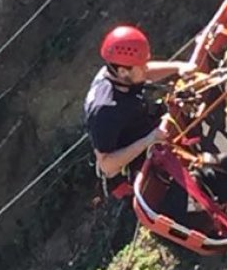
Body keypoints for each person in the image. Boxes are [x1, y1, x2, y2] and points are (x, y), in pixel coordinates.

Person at [84, 25, 195, 199]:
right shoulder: (104, 111)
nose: (146, 69)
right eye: (141, 66)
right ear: (122, 71)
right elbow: (107, 165)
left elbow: (146, 72)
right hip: (136, 162)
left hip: (145, 128)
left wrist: (179, 67)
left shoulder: (118, 73)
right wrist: (148, 140)